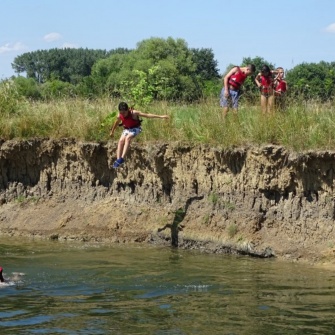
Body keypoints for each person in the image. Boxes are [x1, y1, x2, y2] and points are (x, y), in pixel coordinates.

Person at [110, 102, 169, 168]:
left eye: (124, 113)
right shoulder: (119, 115)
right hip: (127, 129)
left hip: (136, 128)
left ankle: (122, 158)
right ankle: (118, 160)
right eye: (121, 113)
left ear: (127, 110)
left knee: (128, 138)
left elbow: (147, 115)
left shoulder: (134, 113)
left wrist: (160, 116)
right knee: (121, 141)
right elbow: (116, 122)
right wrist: (112, 131)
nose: (123, 114)